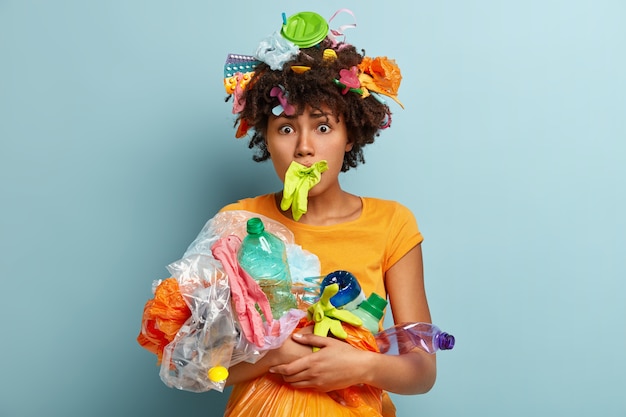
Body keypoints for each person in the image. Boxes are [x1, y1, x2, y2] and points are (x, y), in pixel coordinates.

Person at [218, 10, 436, 417]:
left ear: (349, 134)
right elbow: (201, 366)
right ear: (264, 135)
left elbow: (422, 372)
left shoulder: (393, 225)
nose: (303, 147)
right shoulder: (237, 222)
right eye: (285, 128)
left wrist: (364, 365)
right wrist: (273, 354)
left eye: (322, 127)